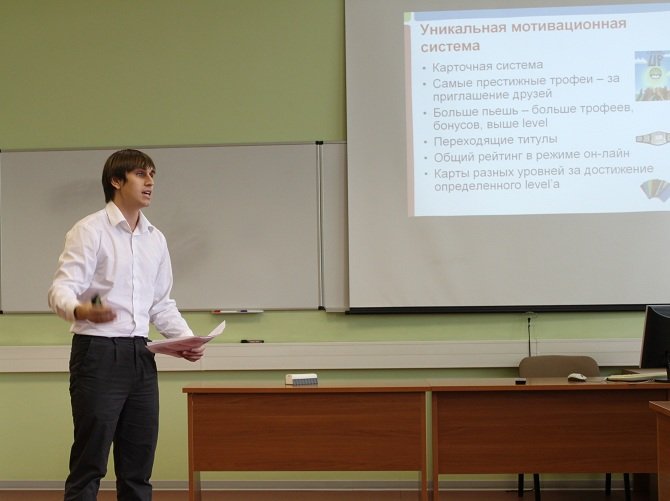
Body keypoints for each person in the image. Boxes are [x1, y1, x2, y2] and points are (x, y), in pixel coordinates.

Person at [48, 148, 205, 501]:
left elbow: (160, 303)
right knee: (90, 462)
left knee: (138, 466)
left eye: (152, 174)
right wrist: (81, 310)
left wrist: (185, 339)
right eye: (140, 174)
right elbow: (61, 289)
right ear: (116, 181)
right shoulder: (89, 230)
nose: (150, 182)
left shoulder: (155, 239)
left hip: (141, 354)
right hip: (98, 354)